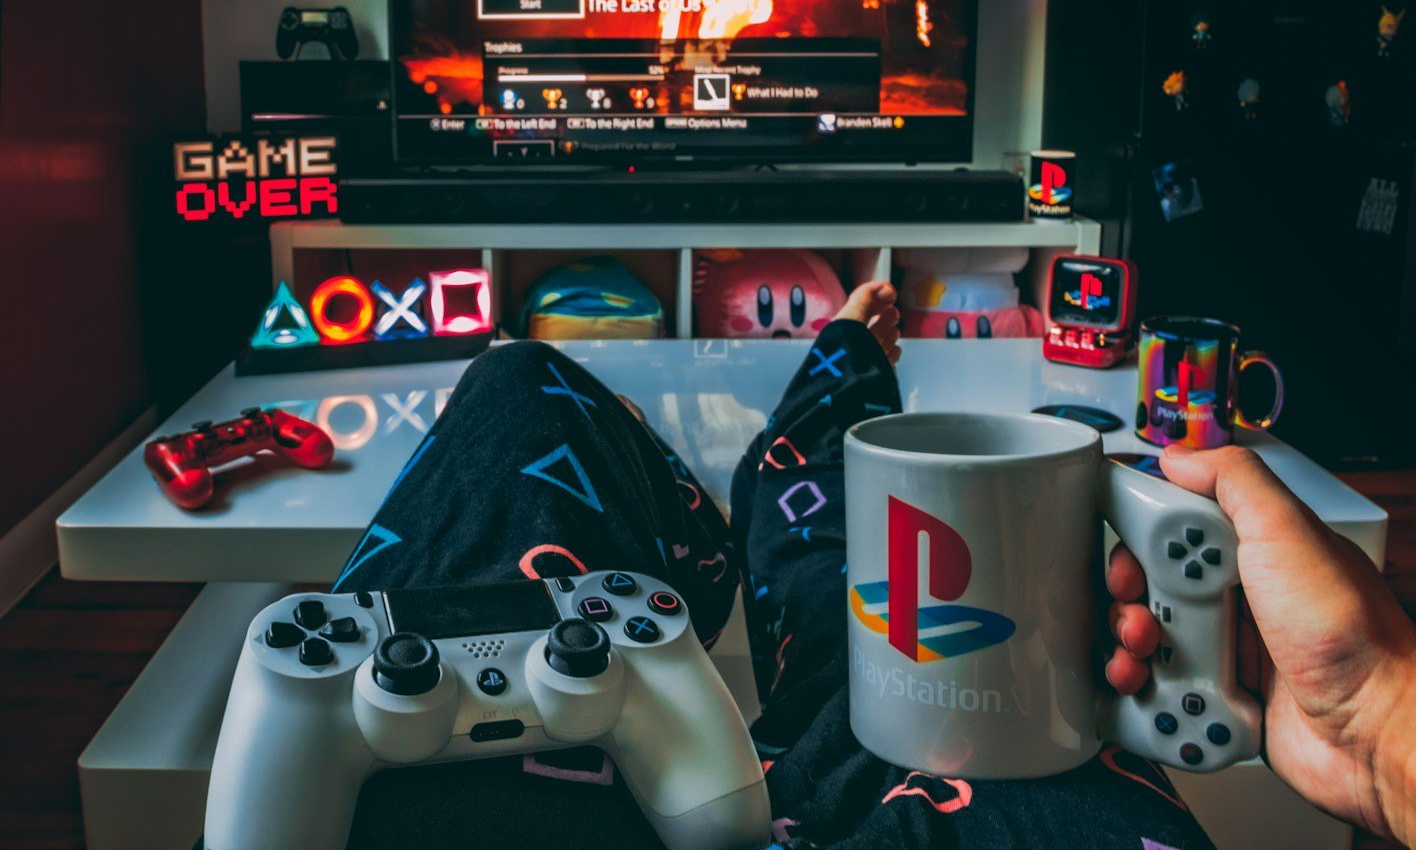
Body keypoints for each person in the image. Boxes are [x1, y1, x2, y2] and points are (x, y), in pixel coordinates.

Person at [335, 282, 1416, 848]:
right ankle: (835, 388)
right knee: (855, 593)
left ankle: (818, 406)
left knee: (519, 381)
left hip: (505, 808)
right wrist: (1374, 718)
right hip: (968, 775)